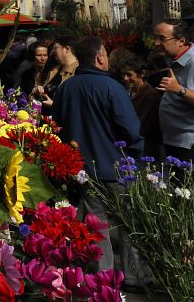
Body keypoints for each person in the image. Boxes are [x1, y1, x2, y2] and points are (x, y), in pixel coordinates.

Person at [52, 36, 143, 282]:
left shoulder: (65, 88)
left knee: (97, 225)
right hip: (117, 167)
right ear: (99, 57)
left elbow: (57, 126)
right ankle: (133, 277)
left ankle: (103, 278)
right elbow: (131, 129)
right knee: (129, 223)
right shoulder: (113, 87)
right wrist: (136, 155)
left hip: (84, 169)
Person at [152, 19, 194, 162]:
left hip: (188, 144)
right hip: (174, 141)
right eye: (155, 38)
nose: (156, 43)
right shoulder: (174, 59)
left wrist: (178, 90)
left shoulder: (193, 62)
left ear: (181, 41)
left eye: (162, 39)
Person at [109, 52, 163, 159]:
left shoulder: (150, 95)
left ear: (142, 74)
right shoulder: (127, 90)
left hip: (145, 148)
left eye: (129, 75)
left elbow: (142, 124)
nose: (125, 78)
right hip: (130, 143)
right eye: (123, 74)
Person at [34, 37, 78, 111]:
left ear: (66, 50)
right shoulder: (55, 69)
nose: (53, 51)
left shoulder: (78, 72)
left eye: (56, 48)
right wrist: (38, 91)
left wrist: (54, 105)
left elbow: (76, 105)